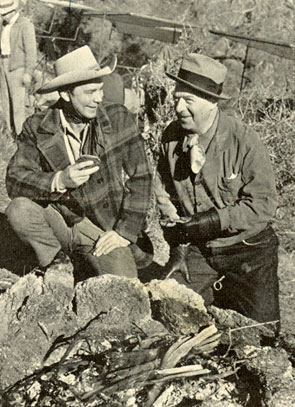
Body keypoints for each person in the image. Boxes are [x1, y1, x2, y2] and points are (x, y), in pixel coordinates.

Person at [5, 45, 153, 279]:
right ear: (65, 94)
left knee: (123, 283)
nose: (99, 98)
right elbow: (14, 179)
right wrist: (59, 179)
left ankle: (84, 265)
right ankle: (57, 262)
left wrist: (124, 232)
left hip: (102, 230)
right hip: (59, 219)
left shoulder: (117, 119)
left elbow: (141, 177)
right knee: (19, 210)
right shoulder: (38, 126)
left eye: (100, 90)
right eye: (90, 92)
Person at [155, 53, 280, 325]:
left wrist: (213, 220)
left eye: (188, 100)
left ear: (212, 103)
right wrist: (178, 243)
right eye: (176, 98)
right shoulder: (171, 138)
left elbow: (263, 206)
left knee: (262, 334)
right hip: (201, 251)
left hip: (249, 251)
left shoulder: (243, 140)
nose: (178, 108)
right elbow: (164, 192)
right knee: (168, 311)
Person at [0, 0, 37, 136]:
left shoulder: (25, 25)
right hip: (3, 64)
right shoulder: (3, 25)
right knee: (6, 102)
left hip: (18, 68)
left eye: (4, 14)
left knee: (18, 106)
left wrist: (28, 72)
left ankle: (22, 137)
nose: (2, 16)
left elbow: (31, 52)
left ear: (12, 11)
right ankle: (10, 134)